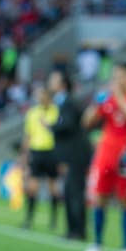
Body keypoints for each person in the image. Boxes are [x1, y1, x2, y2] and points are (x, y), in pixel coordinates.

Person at [82, 62, 126, 251]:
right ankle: (97, 243)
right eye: (115, 76)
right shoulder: (106, 99)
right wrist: (97, 103)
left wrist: (119, 97)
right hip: (106, 154)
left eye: (120, 75)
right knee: (99, 198)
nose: (116, 80)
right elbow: (87, 122)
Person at [47, 70, 90, 241]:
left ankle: (78, 230)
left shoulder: (69, 102)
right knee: (69, 190)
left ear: (62, 84)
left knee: (75, 191)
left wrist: (52, 126)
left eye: (54, 80)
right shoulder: (62, 102)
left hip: (76, 154)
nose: (50, 83)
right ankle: (73, 229)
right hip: (70, 153)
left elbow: (69, 125)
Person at [22, 84, 61, 230]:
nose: (40, 98)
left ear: (49, 97)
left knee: (53, 188)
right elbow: (28, 135)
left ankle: (53, 220)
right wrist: (24, 156)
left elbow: (61, 133)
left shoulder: (57, 112)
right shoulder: (32, 113)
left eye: (43, 95)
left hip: (52, 152)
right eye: (39, 96)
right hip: (36, 151)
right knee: (32, 187)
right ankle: (28, 219)